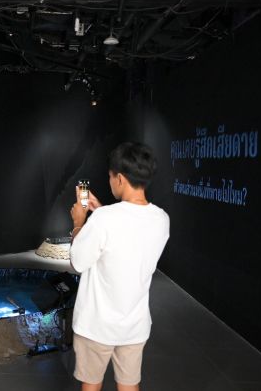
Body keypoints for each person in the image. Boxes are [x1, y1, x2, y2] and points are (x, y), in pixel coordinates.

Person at [68, 142, 170, 391]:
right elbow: (129, 233)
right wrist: (102, 211)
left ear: (121, 179)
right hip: (134, 326)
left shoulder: (104, 220)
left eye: (111, 177)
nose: (111, 181)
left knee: (91, 384)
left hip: (96, 325)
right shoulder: (161, 218)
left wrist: (80, 222)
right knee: (129, 385)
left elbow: (78, 261)